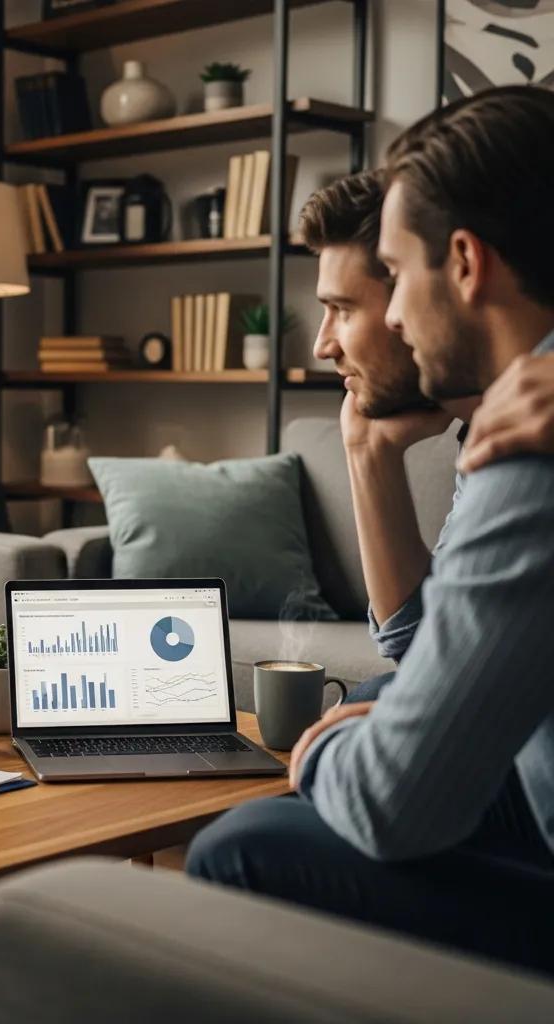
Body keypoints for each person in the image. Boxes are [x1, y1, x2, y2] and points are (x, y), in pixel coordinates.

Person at [186, 85, 554, 975]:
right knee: (332, 756)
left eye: (364, 296)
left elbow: (395, 796)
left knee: (238, 848)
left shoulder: (525, 452)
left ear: (462, 264)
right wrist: (365, 455)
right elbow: (439, 652)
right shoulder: (512, 417)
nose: (346, 335)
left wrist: (331, 748)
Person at [299, 169, 478, 700]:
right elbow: (423, 645)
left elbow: (439, 675)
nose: (322, 345)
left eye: (343, 309)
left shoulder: (524, 443)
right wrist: (366, 452)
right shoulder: (479, 432)